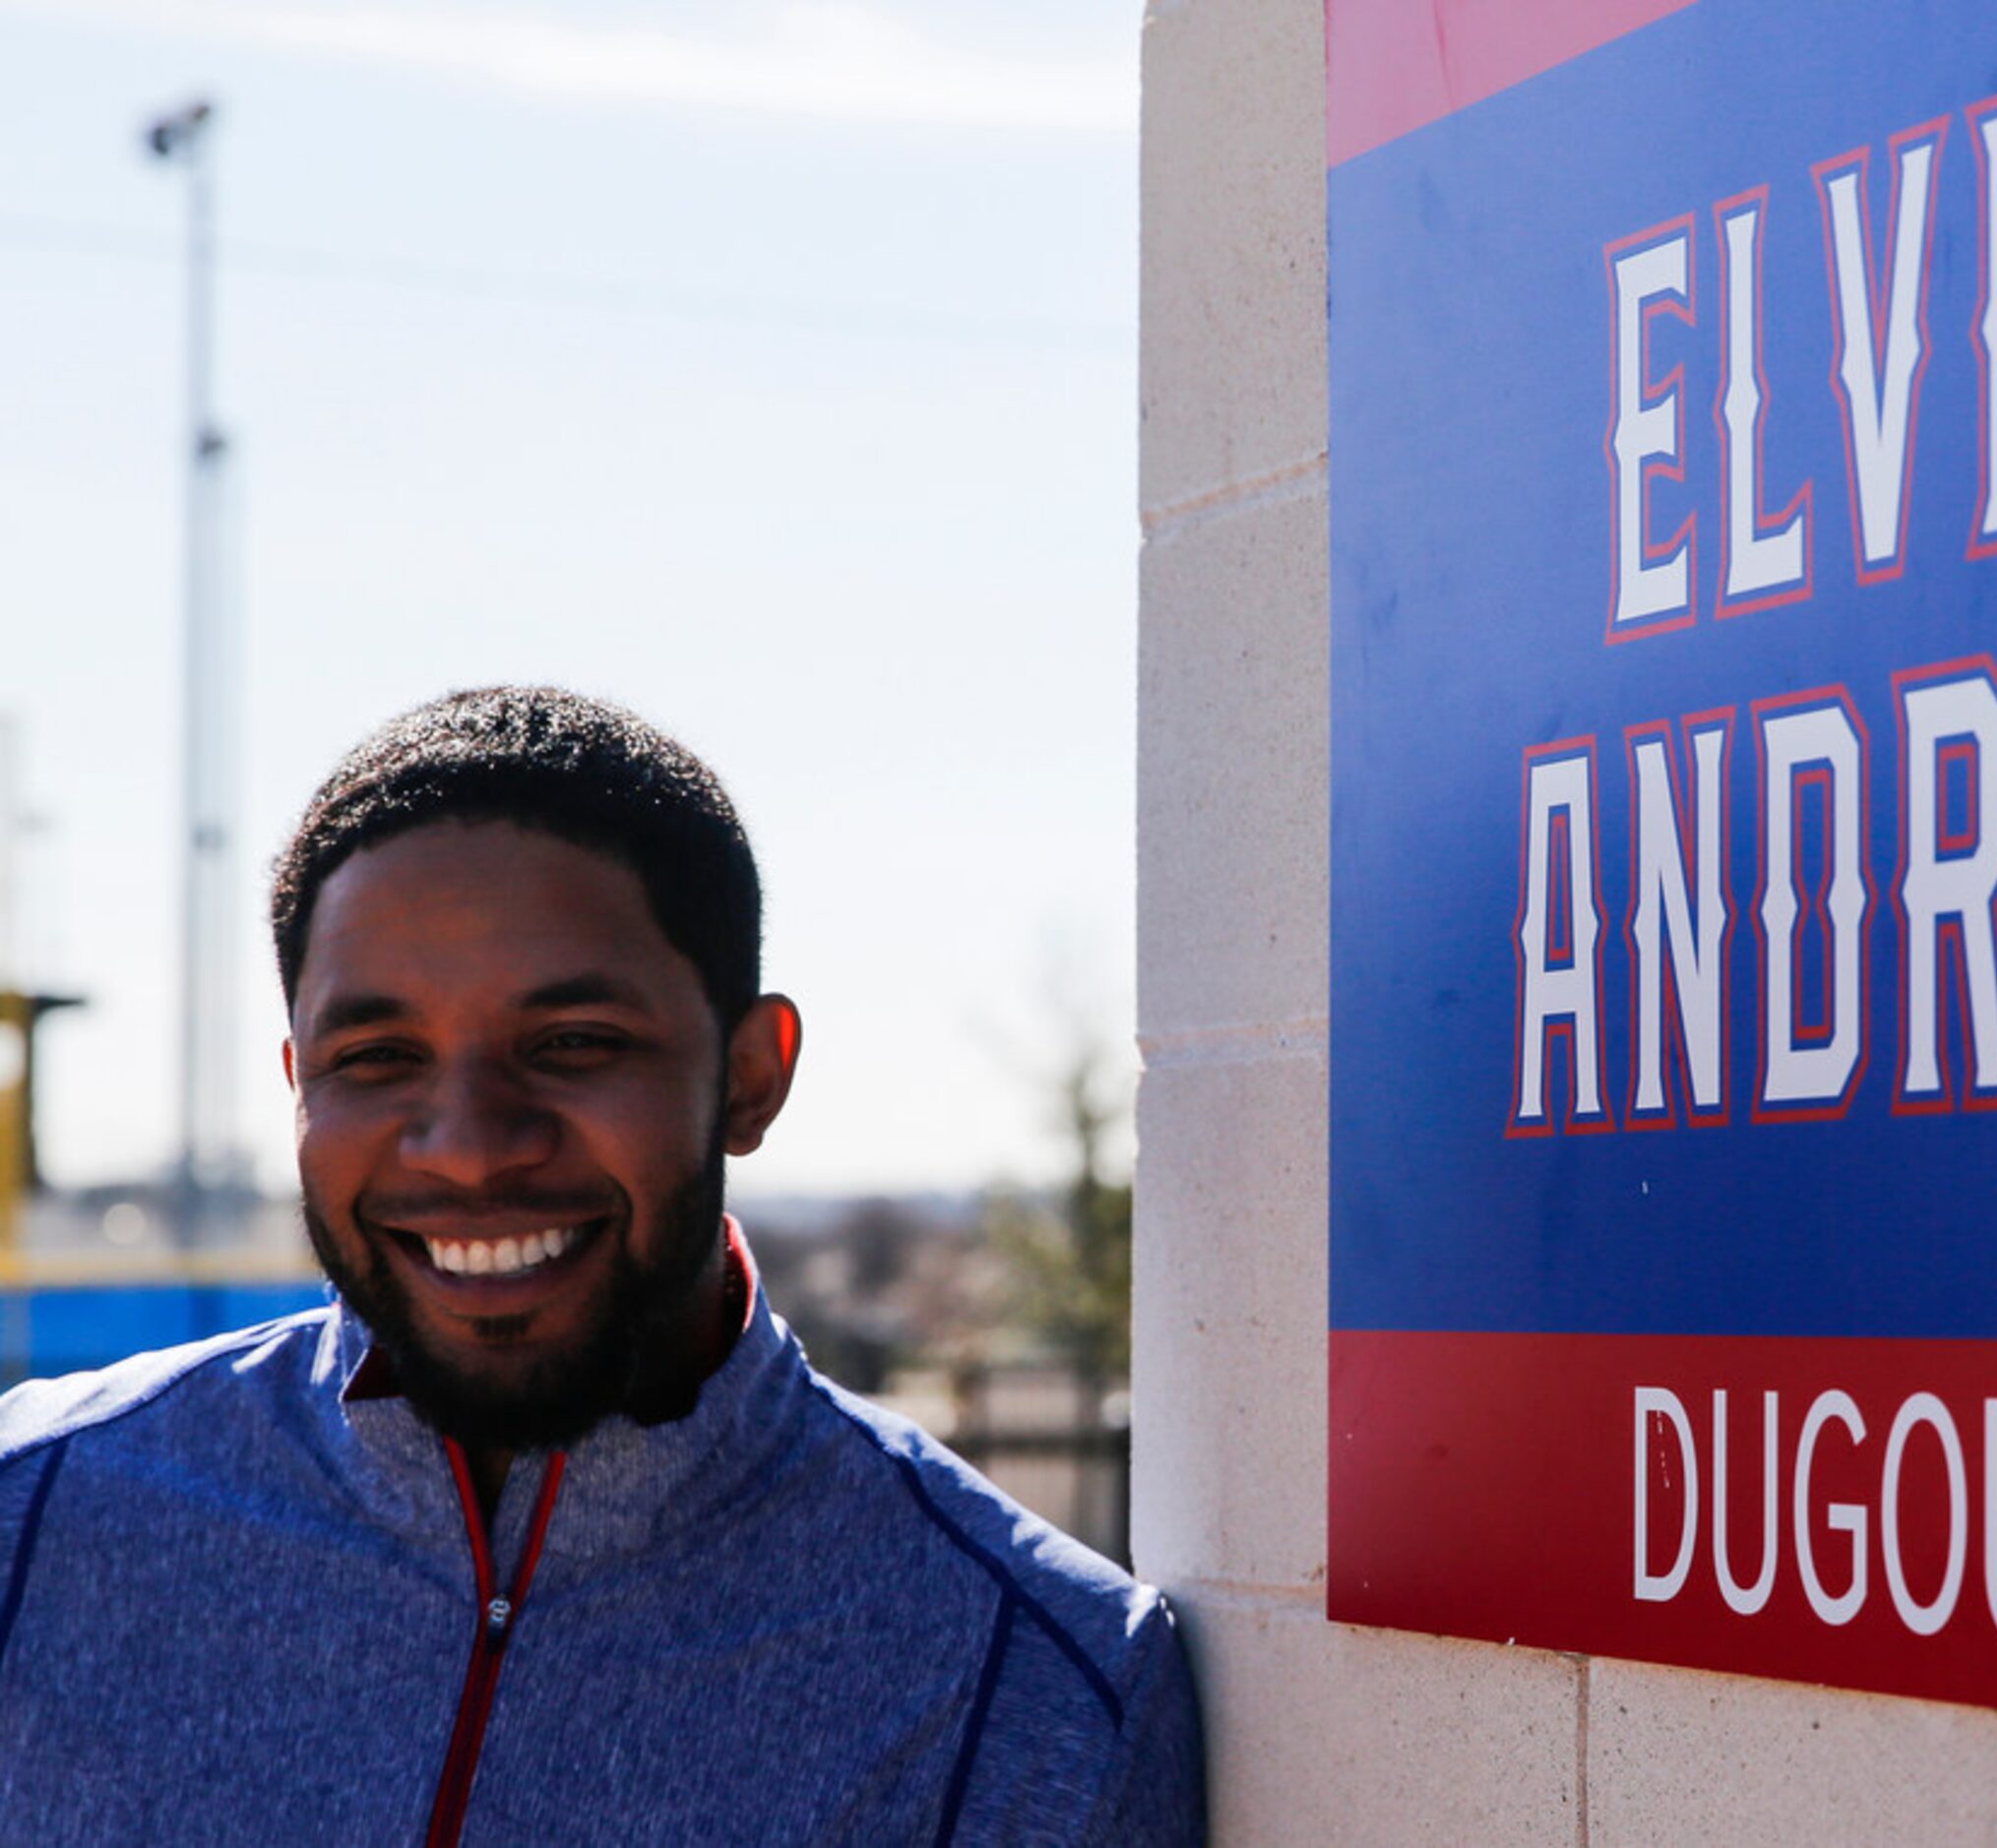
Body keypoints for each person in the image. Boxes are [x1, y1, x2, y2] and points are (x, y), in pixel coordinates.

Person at [0, 687, 1204, 1844]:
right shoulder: (29, 1519)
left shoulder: (1034, 1686)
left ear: (748, 1077)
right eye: (377, 1056)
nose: (468, 1147)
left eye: (574, 1043)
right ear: (298, 1084)